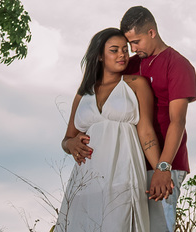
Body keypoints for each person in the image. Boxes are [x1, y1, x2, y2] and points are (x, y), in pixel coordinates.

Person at [56, 28, 164, 232]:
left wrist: (161, 169)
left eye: (125, 49)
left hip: (124, 174)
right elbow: (67, 139)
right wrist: (70, 144)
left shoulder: (136, 85)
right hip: (85, 179)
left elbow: (146, 132)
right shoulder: (82, 94)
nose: (122, 54)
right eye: (114, 50)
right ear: (99, 55)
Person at [121, 5, 196, 232]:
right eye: (129, 44)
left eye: (136, 42)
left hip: (165, 162)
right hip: (132, 161)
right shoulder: (132, 65)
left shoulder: (178, 65)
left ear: (152, 32)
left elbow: (178, 122)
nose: (132, 49)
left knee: (158, 227)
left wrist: (163, 168)